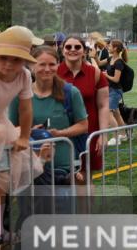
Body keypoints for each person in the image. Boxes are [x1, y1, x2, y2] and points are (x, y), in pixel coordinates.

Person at [0, 27, 52, 244]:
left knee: (4, 175)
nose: (9, 64)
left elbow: (25, 109)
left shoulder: (24, 76)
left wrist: (23, 136)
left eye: (16, 59)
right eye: (3, 58)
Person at [8, 46, 88, 185]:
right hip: (29, 168)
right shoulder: (19, 95)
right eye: (42, 64)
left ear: (58, 65)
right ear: (31, 66)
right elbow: (10, 129)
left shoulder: (70, 92)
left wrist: (59, 133)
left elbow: (83, 125)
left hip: (63, 168)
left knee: (63, 206)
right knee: (32, 207)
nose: (47, 69)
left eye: (52, 64)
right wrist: (29, 132)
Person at [57, 35, 109, 173]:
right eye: (68, 47)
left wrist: (103, 134)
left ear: (84, 51)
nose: (72, 50)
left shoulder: (96, 73)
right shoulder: (53, 73)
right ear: (62, 51)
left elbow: (103, 106)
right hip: (60, 132)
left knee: (85, 178)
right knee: (59, 177)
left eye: (77, 47)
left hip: (89, 132)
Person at [103, 39, 128, 130]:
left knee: (108, 112)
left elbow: (116, 79)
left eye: (109, 46)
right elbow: (98, 63)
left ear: (115, 48)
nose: (108, 47)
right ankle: (125, 134)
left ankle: (117, 137)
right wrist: (94, 57)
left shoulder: (119, 62)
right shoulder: (110, 59)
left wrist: (106, 75)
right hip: (110, 90)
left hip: (116, 91)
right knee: (117, 114)